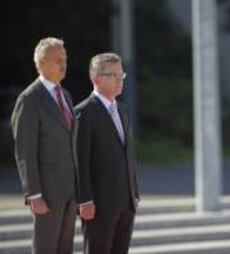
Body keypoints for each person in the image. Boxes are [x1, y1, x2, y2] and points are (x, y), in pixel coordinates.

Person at [10, 37, 78, 254]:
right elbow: (25, 150)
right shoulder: (29, 99)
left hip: (70, 190)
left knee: (64, 249)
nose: (64, 65)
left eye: (65, 60)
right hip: (47, 193)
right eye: (58, 60)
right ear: (41, 62)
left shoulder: (65, 96)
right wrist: (34, 193)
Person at [76, 53, 140, 254]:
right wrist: (85, 200)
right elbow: (80, 161)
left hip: (126, 201)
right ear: (96, 79)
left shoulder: (123, 110)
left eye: (121, 74)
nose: (119, 79)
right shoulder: (84, 112)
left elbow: (128, 154)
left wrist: (134, 192)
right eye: (113, 75)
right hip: (99, 205)